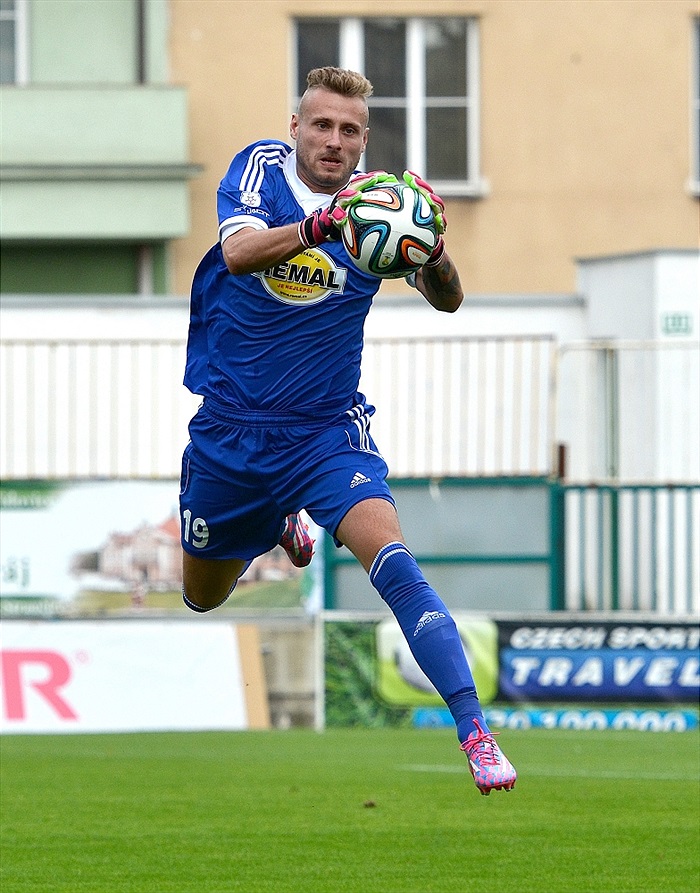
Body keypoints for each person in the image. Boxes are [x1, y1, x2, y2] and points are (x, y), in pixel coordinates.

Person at [179, 66, 517, 795]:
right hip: (230, 429)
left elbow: (449, 301)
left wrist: (431, 250)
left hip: (325, 430)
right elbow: (238, 255)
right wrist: (320, 226)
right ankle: (276, 521)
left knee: (391, 557)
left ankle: (476, 732)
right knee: (201, 595)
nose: (334, 141)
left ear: (366, 141)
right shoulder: (260, 170)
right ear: (296, 126)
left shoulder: (381, 208)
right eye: (322, 125)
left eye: (350, 131)